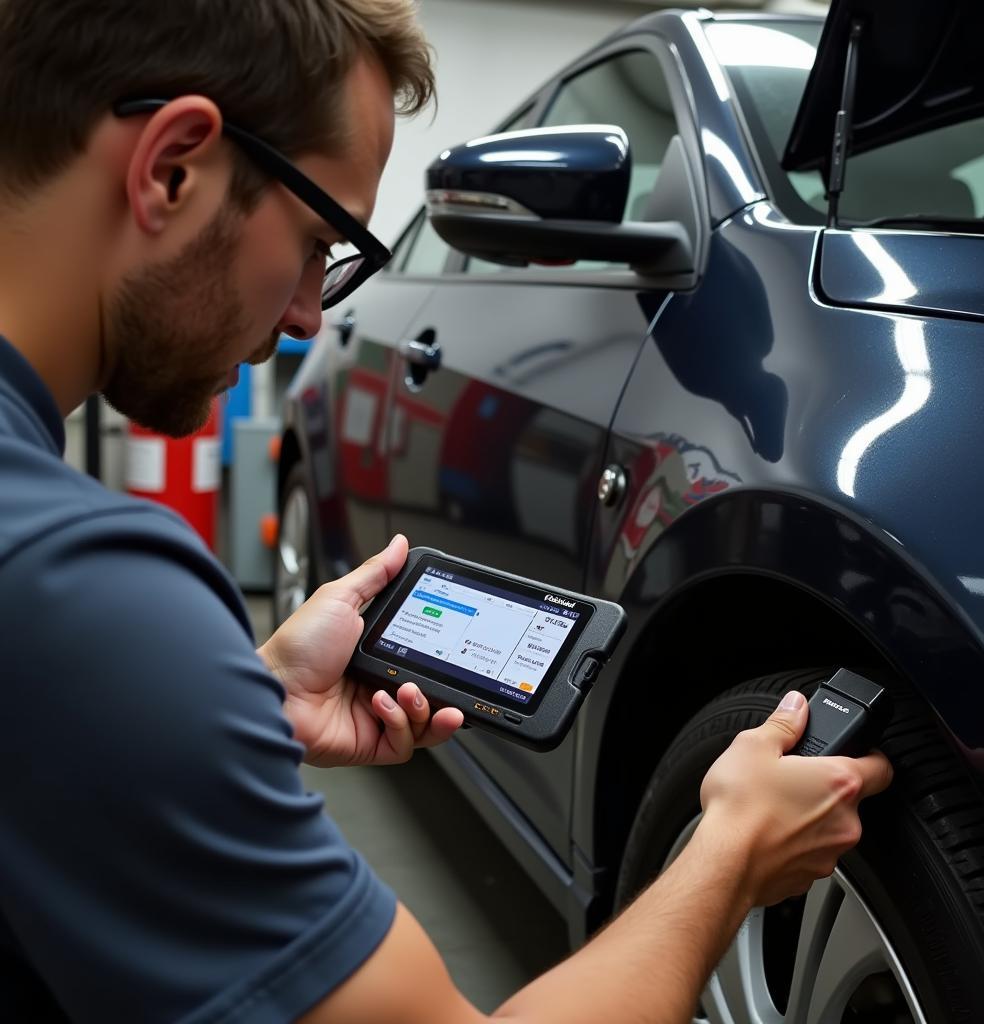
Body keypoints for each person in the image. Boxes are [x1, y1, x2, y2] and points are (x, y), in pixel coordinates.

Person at [0, 1, 892, 1021]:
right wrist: (728, 859)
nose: (304, 317)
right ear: (173, 168)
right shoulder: (76, 585)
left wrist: (231, 708)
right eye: (317, 239)